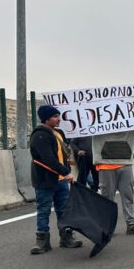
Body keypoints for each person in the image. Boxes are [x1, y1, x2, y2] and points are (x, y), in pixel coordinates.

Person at [28, 105, 81, 254]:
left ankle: (66, 238)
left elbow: (62, 154)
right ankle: (42, 241)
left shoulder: (58, 133)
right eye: (55, 116)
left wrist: (66, 170)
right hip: (45, 180)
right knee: (44, 210)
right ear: (46, 118)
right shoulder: (40, 135)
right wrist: (66, 172)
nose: (59, 119)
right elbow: (48, 158)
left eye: (58, 116)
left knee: (63, 209)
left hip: (61, 179)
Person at [93, 131, 134, 235]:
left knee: (128, 196)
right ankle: (107, 227)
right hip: (106, 165)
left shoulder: (129, 118)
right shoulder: (98, 119)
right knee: (107, 198)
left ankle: (131, 224)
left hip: (125, 163)